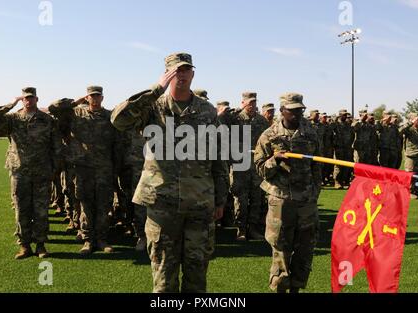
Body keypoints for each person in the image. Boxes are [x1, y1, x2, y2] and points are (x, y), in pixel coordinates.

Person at [110, 52, 228, 293]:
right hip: (162, 202)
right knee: (164, 275)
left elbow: (219, 156)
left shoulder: (206, 111)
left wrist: (221, 197)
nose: (181, 75)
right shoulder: (152, 107)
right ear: (167, 74)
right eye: (175, 71)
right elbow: (118, 120)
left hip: (199, 203)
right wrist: (155, 89)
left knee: (197, 273)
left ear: (193, 74)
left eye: (185, 70)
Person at [254, 92, 321, 293]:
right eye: (292, 110)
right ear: (282, 110)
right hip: (281, 200)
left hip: (306, 200)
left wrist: (315, 191)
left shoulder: (311, 133)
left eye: (300, 110)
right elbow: (259, 167)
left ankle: (296, 289)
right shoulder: (269, 135)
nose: (298, 113)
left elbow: (317, 166)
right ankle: (280, 289)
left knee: (305, 247)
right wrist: (276, 160)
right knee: (281, 248)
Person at [0, 87, 62, 259]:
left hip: (42, 171)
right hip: (19, 171)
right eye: (25, 98)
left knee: (41, 209)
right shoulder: (13, 119)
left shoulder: (47, 120)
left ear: (37, 99)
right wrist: (10, 104)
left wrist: (54, 168)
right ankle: (24, 245)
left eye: (31, 98)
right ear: (22, 100)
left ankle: (41, 245)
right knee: (21, 209)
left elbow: (56, 145)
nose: (28, 101)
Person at [48, 86, 121, 255]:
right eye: (91, 96)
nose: (94, 99)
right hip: (83, 168)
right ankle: (88, 240)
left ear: (102, 97)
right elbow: (53, 108)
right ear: (87, 98)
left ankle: (102, 240)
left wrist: (115, 168)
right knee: (85, 204)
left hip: (104, 167)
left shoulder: (110, 116)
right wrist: (76, 102)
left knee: (103, 205)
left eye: (97, 96)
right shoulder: (75, 115)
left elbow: (117, 143)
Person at [228, 92, 270, 241]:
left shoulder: (262, 121)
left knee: (257, 197)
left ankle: (253, 228)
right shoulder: (235, 119)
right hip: (240, 165)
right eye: (249, 102)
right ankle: (241, 229)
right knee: (240, 198)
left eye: (254, 102)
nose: (252, 105)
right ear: (243, 103)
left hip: (256, 166)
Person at [400, 113, 418, 199]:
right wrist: (409, 123)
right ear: (413, 120)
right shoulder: (408, 129)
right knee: (410, 175)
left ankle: (416, 191)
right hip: (411, 155)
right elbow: (400, 131)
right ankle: (408, 191)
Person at [333, 109, 354, 189]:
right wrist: (336, 118)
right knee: (338, 165)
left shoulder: (348, 125)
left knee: (346, 165)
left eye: (346, 115)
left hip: (347, 147)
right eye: (344, 115)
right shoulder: (336, 124)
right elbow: (330, 126)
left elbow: (352, 135)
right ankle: (337, 182)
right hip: (339, 147)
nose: (345, 116)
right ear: (340, 115)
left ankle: (344, 181)